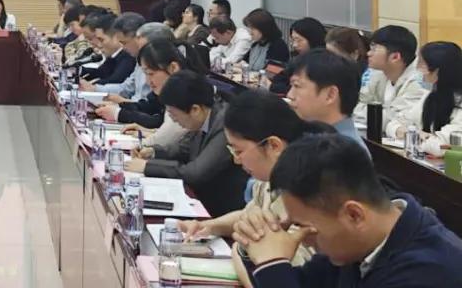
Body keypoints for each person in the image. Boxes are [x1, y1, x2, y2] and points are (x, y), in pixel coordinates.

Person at [233, 134, 462, 287]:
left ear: (354, 215)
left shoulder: (430, 271)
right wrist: (256, 243)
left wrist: (272, 264)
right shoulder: (357, 244)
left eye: (303, 226)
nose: (301, 238)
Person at [180, 91, 326, 288]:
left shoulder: (305, 194)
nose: (236, 160)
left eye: (238, 150)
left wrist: (239, 251)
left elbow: (274, 275)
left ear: (273, 146)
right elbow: (248, 216)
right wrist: (208, 226)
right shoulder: (268, 177)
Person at [125, 70, 248, 216]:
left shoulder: (224, 126)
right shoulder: (204, 117)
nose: (174, 120)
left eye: (174, 115)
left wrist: (147, 166)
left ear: (195, 109)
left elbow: (195, 173)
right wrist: (153, 152)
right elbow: (183, 148)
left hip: (220, 208)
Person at [96, 40, 196, 150]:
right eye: (145, 74)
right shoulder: (174, 91)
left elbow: (164, 140)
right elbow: (167, 131)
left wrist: (135, 145)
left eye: (151, 74)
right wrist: (149, 132)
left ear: (173, 68)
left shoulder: (185, 95)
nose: (148, 82)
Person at [384, 42, 462, 156]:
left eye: (422, 64)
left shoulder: (459, 103)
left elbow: (441, 147)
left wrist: (414, 136)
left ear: (437, 71)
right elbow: (392, 125)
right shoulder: (430, 96)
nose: (418, 69)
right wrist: (417, 135)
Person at [286, 49, 368, 153]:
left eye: (297, 86)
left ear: (330, 95)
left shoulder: (344, 152)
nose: (290, 95)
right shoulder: (316, 137)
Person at [364, 25, 424, 135]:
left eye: (374, 49)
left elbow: (392, 120)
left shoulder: (418, 83)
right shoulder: (378, 72)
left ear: (395, 57)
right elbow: (356, 102)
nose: (368, 53)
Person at [79, 12, 137, 87]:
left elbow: (115, 81)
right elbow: (101, 72)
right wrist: (79, 70)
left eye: (101, 40)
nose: (99, 45)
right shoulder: (114, 56)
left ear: (116, 37)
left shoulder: (129, 55)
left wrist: (91, 85)